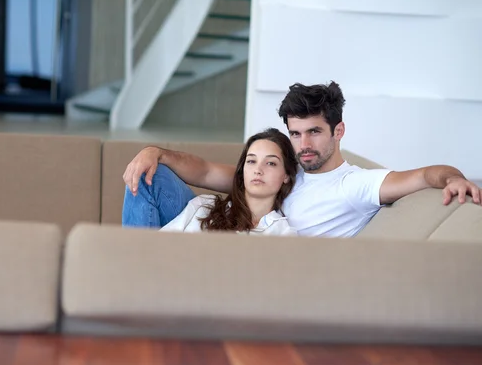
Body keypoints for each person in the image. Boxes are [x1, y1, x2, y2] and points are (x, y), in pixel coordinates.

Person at [122, 81, 481, 237]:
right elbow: (202, 170)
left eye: (314, 132)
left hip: (259, 257)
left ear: (338, 131)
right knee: (153, 174)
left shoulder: (355, 184)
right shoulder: (284, 169)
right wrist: (156, 152)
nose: (303, 144)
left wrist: (453, 178)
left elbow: (423, 175)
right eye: (295, 134)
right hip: (227, 229)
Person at [160, 128, 298, 236]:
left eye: (270, 163)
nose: (258, 170)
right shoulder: (204, 206)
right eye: (251, 161)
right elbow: (156, 246)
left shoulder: (284, 233)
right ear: (242, 170)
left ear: (286, 175)